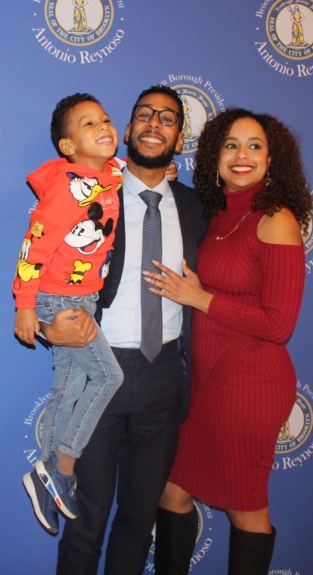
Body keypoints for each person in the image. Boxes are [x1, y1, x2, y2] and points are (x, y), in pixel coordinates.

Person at [41, 85, 206, 575]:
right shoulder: (90, 192)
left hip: (164, 377)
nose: (155, 124)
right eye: (144, 115)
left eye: (168, 118)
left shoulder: (196, 206)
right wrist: (48, 324)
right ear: (129, 129)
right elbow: (45, 260)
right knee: (86, 519)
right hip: (102, 368)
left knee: (138, 521)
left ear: (179, 137)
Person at [149, 109, 312, 575]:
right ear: (214, 157)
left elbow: (279, 324)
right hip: (201, 383)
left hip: (250, 386)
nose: (242, 155)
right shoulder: (215, 211)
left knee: (246, 507)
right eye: (231, 145)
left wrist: (202, 298)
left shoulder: (276, 219)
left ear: (272, 158)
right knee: (172, 492)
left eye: (255, 146)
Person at [14, 93, 125, 535]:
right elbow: (33, 246)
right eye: (87, 124)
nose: (102, 127)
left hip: (86, 297)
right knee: (108, 377)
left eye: (105, 119)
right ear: (67, 146)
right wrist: (25, 305)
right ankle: (59, 467)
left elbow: (125, 172)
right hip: (59, 301)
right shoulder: (65, 189)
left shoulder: (111, 175)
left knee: (69, 383)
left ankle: (48, 476)